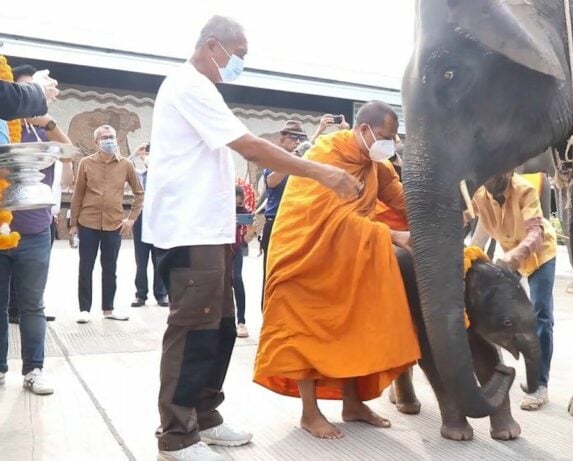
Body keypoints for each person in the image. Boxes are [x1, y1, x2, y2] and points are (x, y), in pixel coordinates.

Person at [142, 16, 360, 461]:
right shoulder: (189, 86)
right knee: (192, 328)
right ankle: (176, 434)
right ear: (213, 46)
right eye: (238, 55)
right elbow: (251, 147)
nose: (240, 63)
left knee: (219, 327)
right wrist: (323, 172)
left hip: (211, 229)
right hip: (188, 229)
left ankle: (204, 415)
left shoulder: (204, 90)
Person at [253, 101, 419, 440]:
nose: (390, 144)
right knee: (305, 334)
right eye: (386, 136)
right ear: (364, 130)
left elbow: (399, 197)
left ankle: (352, 403)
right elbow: (333, 220)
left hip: (347, 260)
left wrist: (442, 207)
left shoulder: (375, 164)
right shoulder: (325, 154)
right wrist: (396, 236)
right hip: (304, 258)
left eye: (393, 138)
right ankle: (309, 414)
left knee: (352, 328)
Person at [468, 171, 557, 411]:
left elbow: (536, 232)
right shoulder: (478, 194)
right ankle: (489, 369)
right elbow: (476, 226)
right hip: (507, 256)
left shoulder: (524, 190)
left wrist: (516, 255)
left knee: (540, 314)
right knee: (489, 311)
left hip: (538, 255)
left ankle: (538, 385)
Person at [7, 64, 72, 325]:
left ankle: (31, 310)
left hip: (38, 223)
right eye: (23, 91)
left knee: (34, 290)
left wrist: (48, 122)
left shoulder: (43, 132)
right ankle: (13, 310)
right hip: (7, 221)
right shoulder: (6, 130)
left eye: (34, 91)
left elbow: (69, 153)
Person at [69, 125, 143, 323]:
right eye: (104, 138)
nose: (108, 140)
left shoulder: (126, 165)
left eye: (111, 137)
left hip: (114, 224)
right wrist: (73, 224)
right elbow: (77, 195)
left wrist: (131, 218)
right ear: (96, 142)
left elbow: (139, 193)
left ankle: (108, 309)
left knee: (110, 268)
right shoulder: (86, 163)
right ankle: (84, 309)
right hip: (88, 223)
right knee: (86, 266)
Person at [258, 120, 308, 280]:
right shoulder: (274, 158)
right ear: (282, 139)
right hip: (276, 222)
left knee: (294, 275)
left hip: (297, 223)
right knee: (272, 274)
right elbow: (271, 182)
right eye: (294, 138)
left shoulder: (303, 161)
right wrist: (292, 159)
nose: (297, 142)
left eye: (301, 139)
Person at [128, 142, 168, 308]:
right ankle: (141, 294)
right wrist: (135, 154)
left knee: (159, 258)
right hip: (141, 217)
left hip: (159, 217)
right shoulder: (139, 174)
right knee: (141, 259)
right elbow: (123, 168)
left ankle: (161, 294)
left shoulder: (163, 173)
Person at [233, 185, 255, 338]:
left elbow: (247, 238)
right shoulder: (219, 209)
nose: (238, 207)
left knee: (237, 279)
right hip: (218, 250)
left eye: (240, 204)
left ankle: (241, 321)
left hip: (235, 249)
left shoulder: (245, 211)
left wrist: (250, 230)